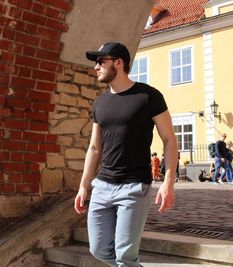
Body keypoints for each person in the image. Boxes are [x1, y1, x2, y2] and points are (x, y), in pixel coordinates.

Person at [74, 42, 178, 267]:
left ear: (118, 63)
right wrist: (84, 185)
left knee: (125, 256)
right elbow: (94, 148)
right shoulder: (100, 103)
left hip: (133, 187)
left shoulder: (148, 96)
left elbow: (169, 139)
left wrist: (168, 181)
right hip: (102, 186)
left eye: (101, 61)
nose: (96, 67)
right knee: (99, 249)